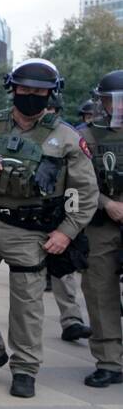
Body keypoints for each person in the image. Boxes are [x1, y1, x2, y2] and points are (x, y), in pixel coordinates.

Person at [0, 59, 99, 398]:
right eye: (25, 90)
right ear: (13, 89)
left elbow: (85, 192)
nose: (31, 96)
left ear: (51, 94)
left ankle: (25, 367)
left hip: (32, 229)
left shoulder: (66, 137)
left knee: (27, 303)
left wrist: (67, 231)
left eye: (40, 92)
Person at [77, 71, 123, 387]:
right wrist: (107, 203)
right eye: (112, 99)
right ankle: (109, 361)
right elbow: (78, 180)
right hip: (101, 219)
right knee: (99, 290)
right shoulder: (87, 136)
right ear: (102, 101)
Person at [45, 96, 91, 341]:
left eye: (51, 108)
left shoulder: (69, 136)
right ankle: (71, 320)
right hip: (39, 215)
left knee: (71, 271)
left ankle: (75, 320)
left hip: (68, 212)